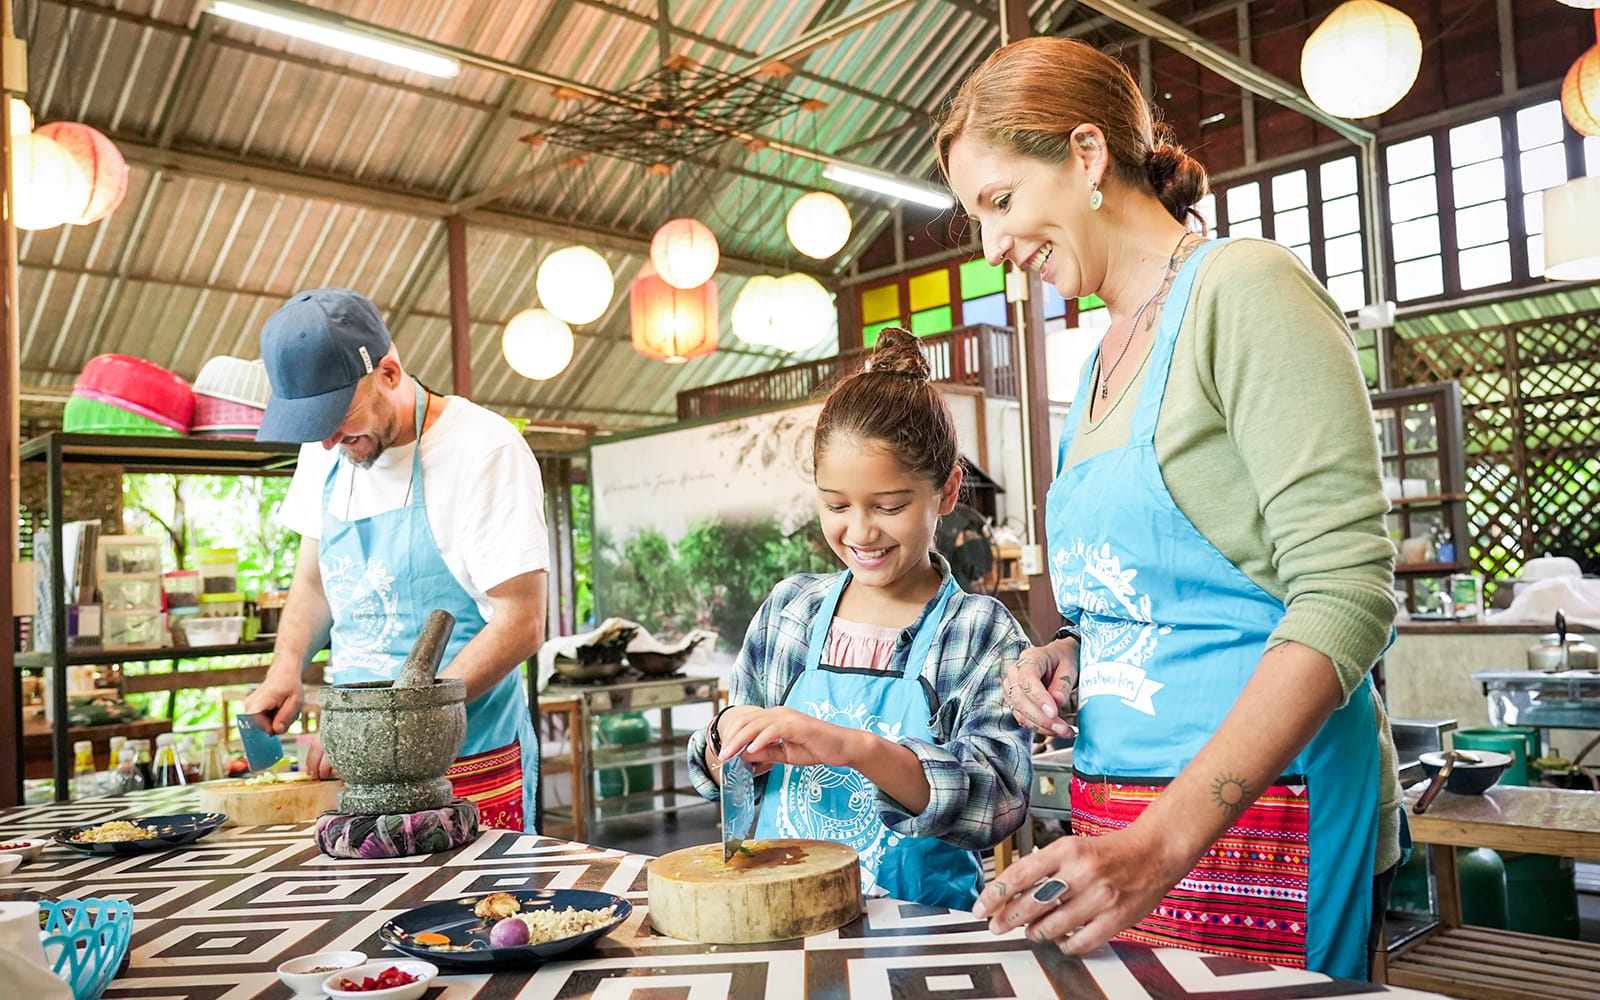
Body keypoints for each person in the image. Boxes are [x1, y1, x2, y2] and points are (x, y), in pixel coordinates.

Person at [938, 37, 1401, 980]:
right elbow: (1157, 599)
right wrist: (1075, 652)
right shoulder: (1099, 364)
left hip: (1267, 822)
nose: (991, 248)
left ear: (1087, 154)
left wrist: (1163, 841)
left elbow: (1347, 594)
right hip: (1121, 826)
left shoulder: (1244, 289)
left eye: (1000, 201)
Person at [687, 328, 1033, 909]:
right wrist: (728, 746)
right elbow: (726, 775)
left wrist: (853, 749)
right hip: (783, 913)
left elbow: (997, 802)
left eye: (889, 506)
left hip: (921, 932)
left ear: (948, 491)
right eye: (836, 505)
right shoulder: (790, 612)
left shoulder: (979, 631)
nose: (861, 531)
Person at [244, 287, 549, 833]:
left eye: (338, 415)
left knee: (468, 891)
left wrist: (386, 734)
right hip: (359, 771)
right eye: (314, 425)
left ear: (389, 372)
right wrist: (285, 667)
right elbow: (314, 582)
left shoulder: (483, 450)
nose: (328, 440)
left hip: (465, 763)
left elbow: (521, 623)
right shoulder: (329, 448)